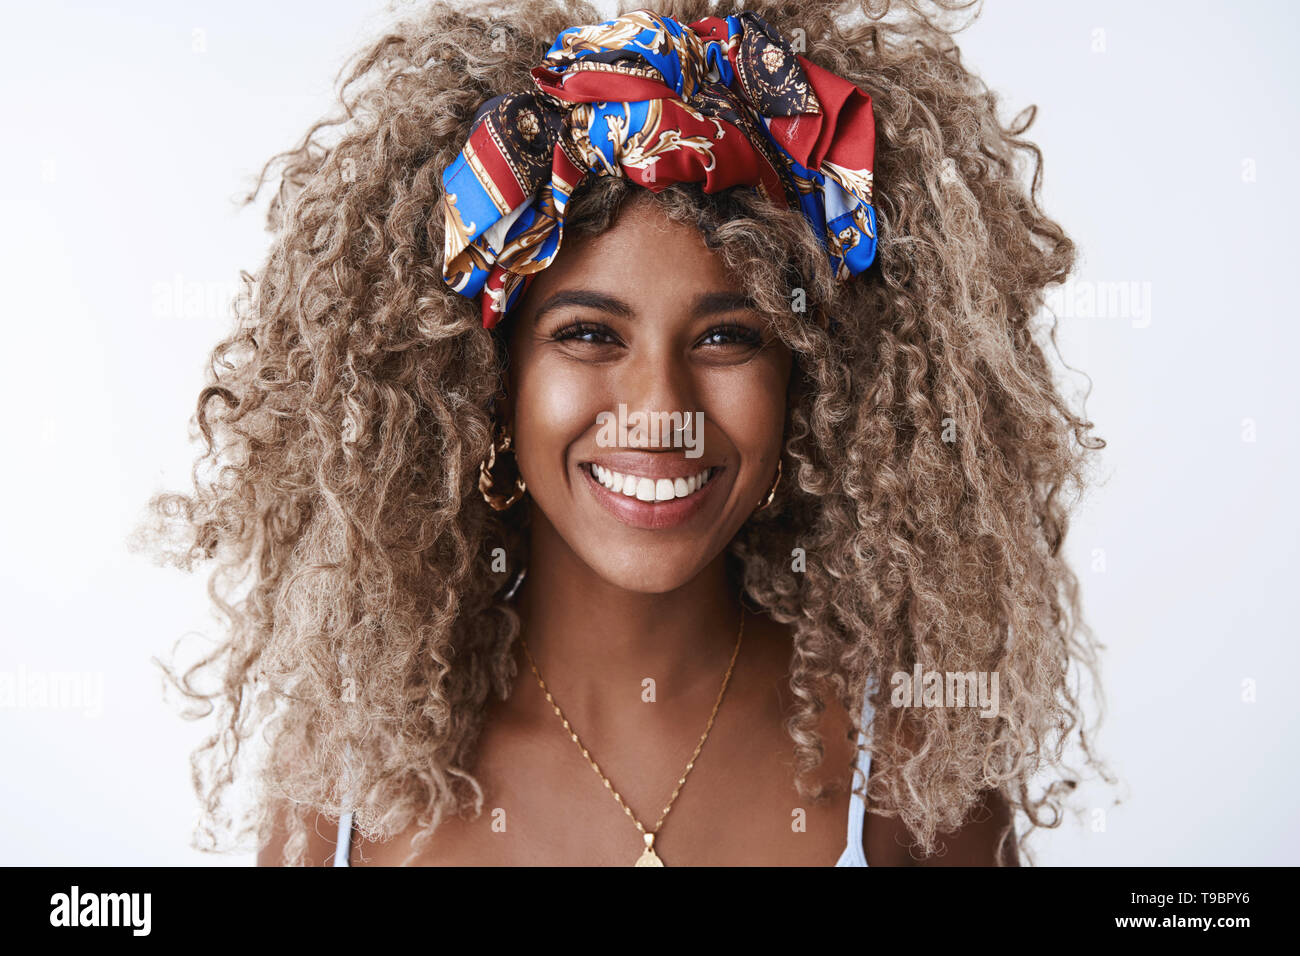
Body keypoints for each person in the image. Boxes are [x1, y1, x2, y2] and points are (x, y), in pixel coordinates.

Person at [139, 0, 1110, 867]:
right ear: (490, 382)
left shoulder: (911, 776)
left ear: (804, 383)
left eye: (727, 335)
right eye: (589, 333)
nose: (661, 407)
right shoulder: (352, 789)